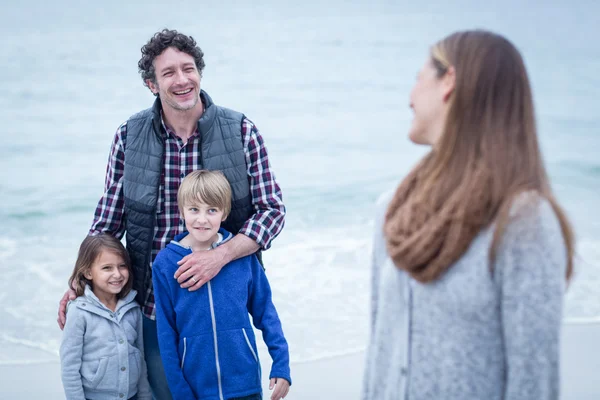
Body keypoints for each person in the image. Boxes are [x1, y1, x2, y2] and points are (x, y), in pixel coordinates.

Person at [58, 28, 286, 399]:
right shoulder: (129, 136)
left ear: (199, 72)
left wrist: (220, 256)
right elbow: (108, 222)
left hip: (222, 304)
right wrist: (78, 281)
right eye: (168, 73)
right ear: (151, 84)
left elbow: (271, 211)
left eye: (189, 68)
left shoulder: (241, 130)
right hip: (152, 305)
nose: (182, 80)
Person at [362, 30, 575, 400]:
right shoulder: (393, 210)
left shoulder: (524, 222)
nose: (410, 97)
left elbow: (534, 382)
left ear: (449, 82)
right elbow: (379, 355)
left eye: (418, 78)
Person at [153, 170, 291, 400]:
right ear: (182, 211)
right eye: (194, 209)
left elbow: (266, 311)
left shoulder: (242, 257)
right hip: (196, 390)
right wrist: (181, 393)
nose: (202, 219)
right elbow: (166, 335)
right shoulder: (166, 264)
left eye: (212, 210)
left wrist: (281, 364)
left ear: (224, 213)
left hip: (245, 384)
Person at [60, 234, 152, 400]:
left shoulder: (133, 309)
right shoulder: (79, 312)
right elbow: (69, 367)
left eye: (122, 266)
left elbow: (141, 358)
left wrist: (144, 396)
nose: (117, 274)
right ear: (88, 272)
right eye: (107, 268)